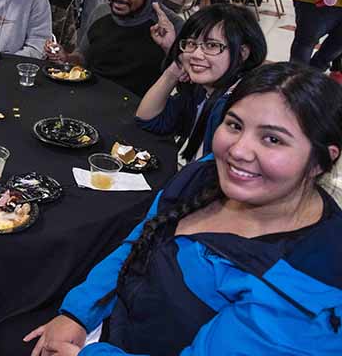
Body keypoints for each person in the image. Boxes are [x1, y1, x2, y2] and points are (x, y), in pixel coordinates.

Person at [26, 61, 342, 356]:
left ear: (320, 161)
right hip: (112, 323)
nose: (239, 150)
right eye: (234, 125)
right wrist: (79, 312)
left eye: (272, 139)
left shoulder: (308, 286)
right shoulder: (207, 173)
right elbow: (142, 239)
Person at [136, 4, 267, 164]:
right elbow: (148, 119)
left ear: (242, 53)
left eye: (211, 45)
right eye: (191, 43)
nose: (197, 54)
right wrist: (173, 71)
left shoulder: (233, 106)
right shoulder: (202, 90)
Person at [46, 0, 183, 97]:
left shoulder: (170, 27)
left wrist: (170, 48)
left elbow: (185, 84)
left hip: (139, 109)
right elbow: (82, 57)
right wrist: (65, 58)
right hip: (88, 98)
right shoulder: (101, 13)